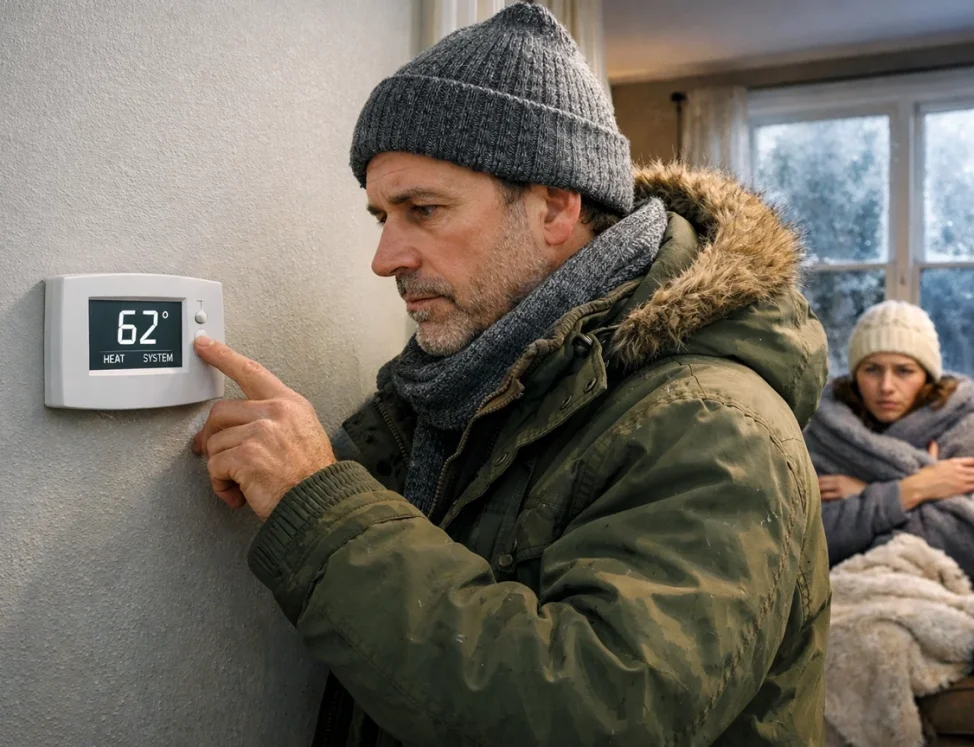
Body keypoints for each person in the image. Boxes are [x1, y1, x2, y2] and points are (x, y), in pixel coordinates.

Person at [191, 4, 831, 745]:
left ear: (556, 206)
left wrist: (322, 512)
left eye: (423, 209)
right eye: (381, 217)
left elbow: (596, 712)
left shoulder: (716, 425)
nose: (385, 257)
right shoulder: (469, 382)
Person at [804, 300, 974, 587]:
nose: (886, 386)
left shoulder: (967, 430)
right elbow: (813, 541)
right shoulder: (825, 434)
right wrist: (915, 487)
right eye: (872, 369)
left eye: (904, 371)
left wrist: (864, 493)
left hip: (944, 588)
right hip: (842, 586)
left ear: (927, 376)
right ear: (855, 374)